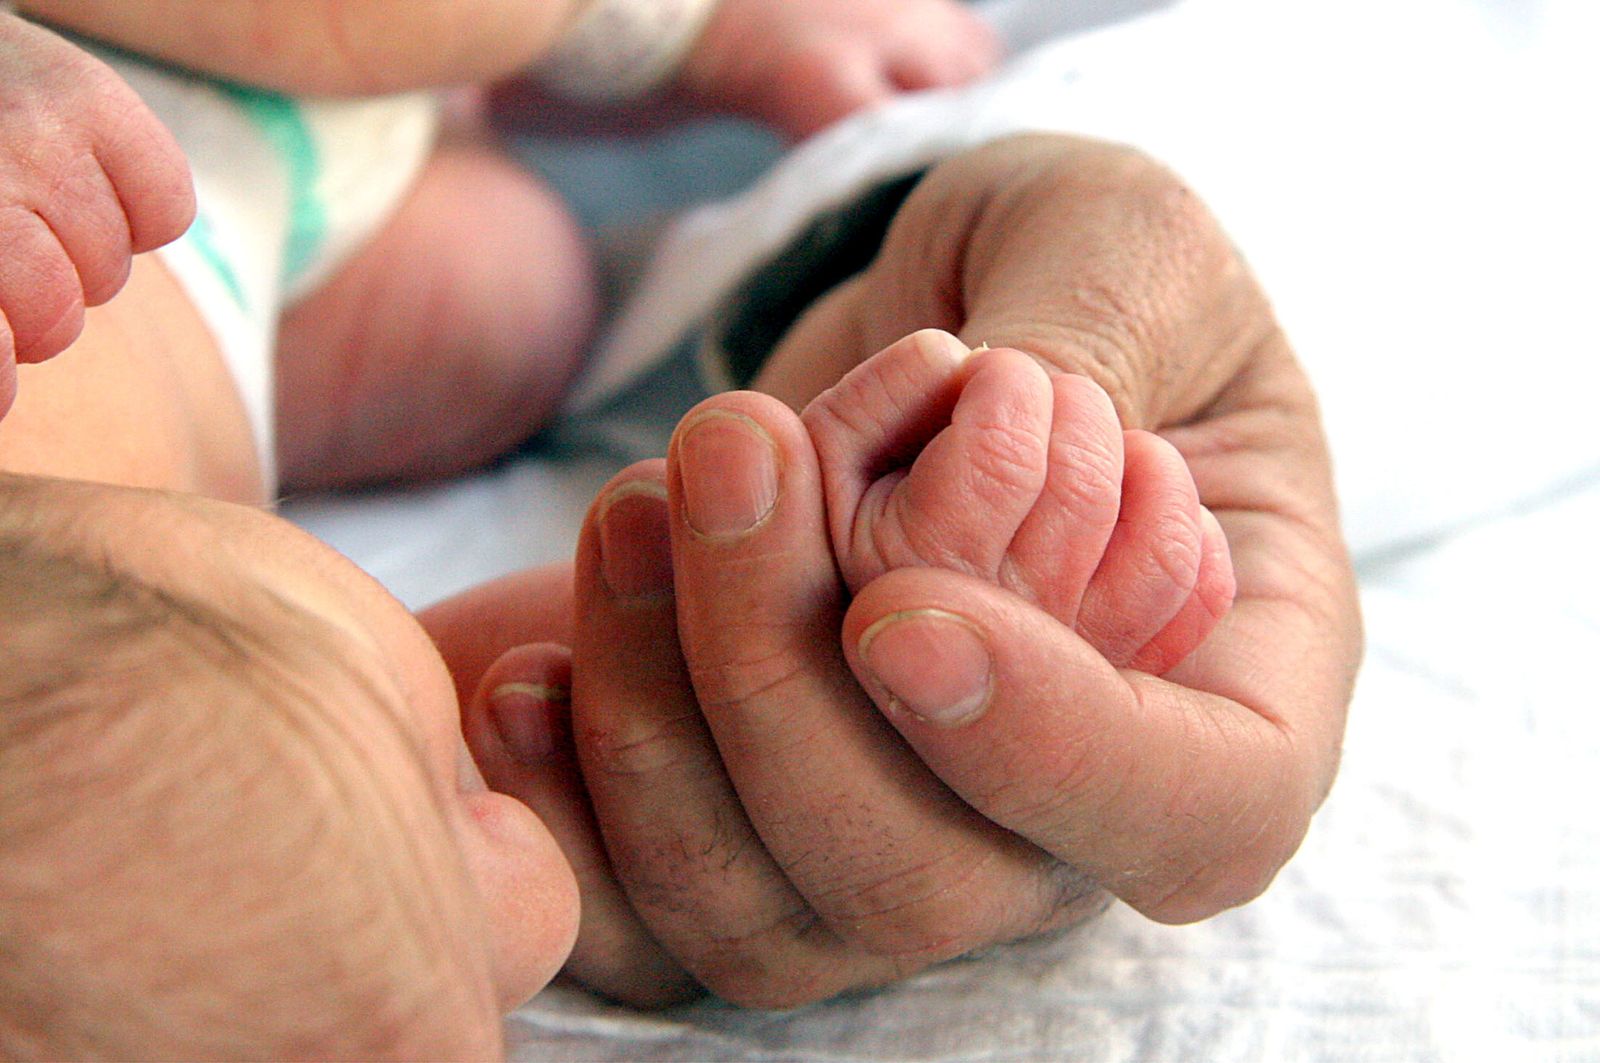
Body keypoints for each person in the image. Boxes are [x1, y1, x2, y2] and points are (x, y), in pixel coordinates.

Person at [1, 9, 1360, 1055]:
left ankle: (680, 23)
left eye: (437, 804)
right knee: (519, 305)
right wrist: (816, 601)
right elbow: (518, 671)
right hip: (299, 257)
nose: (539, 921)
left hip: (121, 59)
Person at [3, 0, 999, 489]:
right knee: (130, 565)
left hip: (257, 153)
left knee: (514, 301)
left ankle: (546, 57)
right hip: (119, 216)